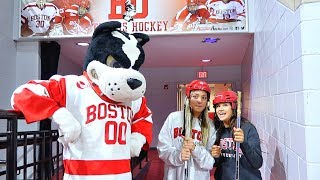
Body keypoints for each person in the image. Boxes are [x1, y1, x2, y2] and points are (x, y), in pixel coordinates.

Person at [157, 80, 216, 180]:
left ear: (207, 102)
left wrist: (196, 149)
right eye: (195, 96)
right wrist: (178, 155)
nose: (199, 101)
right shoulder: (173, 118)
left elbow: (210, 162)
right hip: (174, 176)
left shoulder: (210, 125)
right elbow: (162, 149)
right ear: (188, 98)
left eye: (204, 97)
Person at [211, 90, 263, 180]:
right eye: (218, 106)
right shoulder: (216, 129)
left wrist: (243, 142)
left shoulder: (247, 128)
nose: (220, 109)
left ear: (234, 107)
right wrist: (215, 156)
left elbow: (257, 163)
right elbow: (216, 164)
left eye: (225, 105)